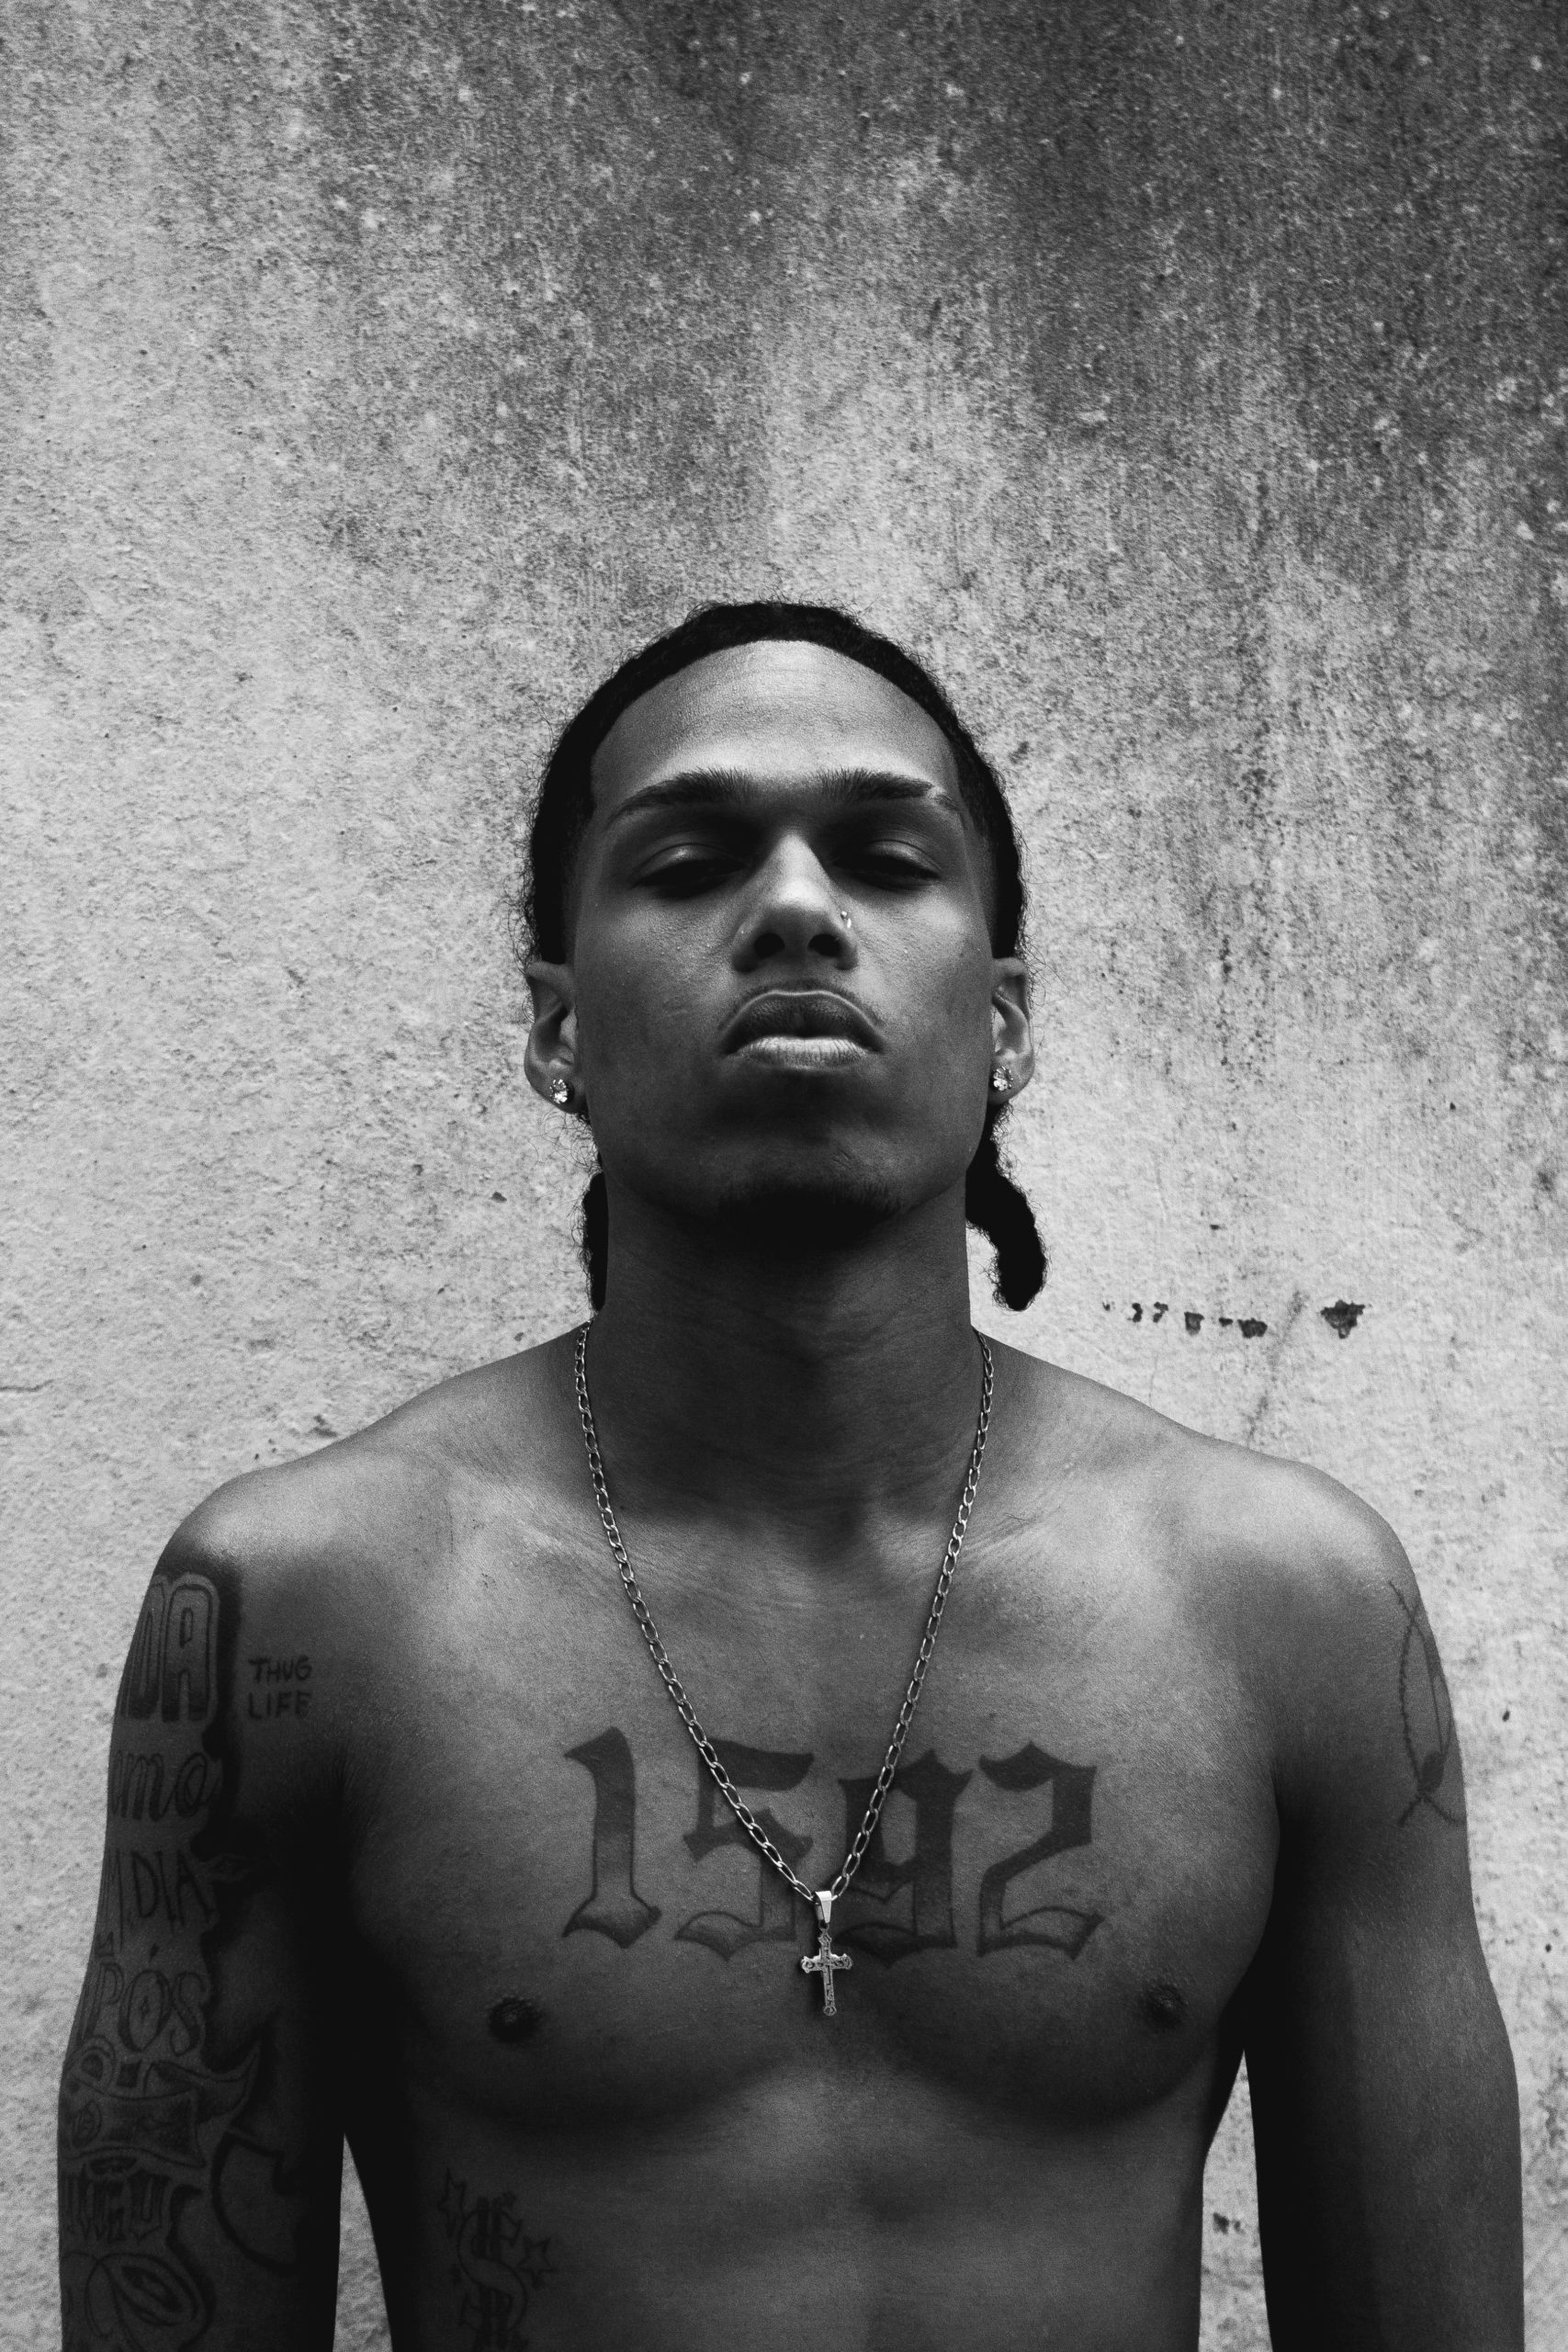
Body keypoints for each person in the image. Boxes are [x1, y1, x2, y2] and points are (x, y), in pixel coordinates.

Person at [59, 601, 1523, 2351]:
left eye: (889, 860)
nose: (798, 908)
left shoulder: (1286, 1608)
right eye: (688, 864)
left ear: (1005, 1022)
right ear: (557, 1029)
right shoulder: (312, 1611)